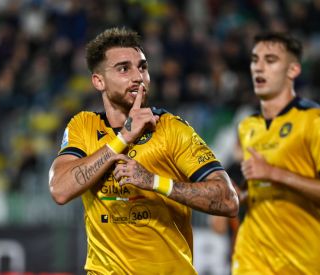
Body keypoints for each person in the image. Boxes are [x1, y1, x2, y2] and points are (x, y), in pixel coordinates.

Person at [48, 27, 239, 275]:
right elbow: (60, 190)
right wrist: (124, 137)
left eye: (143, 67)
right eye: (124, 68)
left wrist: (153, 181)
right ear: (98, 81)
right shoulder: (83, 126)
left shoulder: (171, 129)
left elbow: (228, 200)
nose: (138, 76)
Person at [230, 32, 320, 275]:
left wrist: (275, 173)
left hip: (305, 264)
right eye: (255, 59)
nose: (259, 67)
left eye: (271, 60)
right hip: (253, 260)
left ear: (293, 70)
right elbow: (257, 187)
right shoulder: (247, 126)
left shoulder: (316, 120)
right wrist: (236, 196)